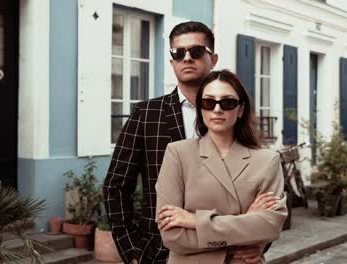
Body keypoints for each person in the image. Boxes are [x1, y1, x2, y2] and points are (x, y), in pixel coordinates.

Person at [103, 21, 276, 264]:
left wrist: (258, 243)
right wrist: (132, 252)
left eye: (196, 51)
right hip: (160, 253)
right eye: (178, 52)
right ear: (171, 61)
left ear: (213, 58)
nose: (187, 58)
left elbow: (262, 195)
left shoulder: (233, 113)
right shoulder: (146, 114)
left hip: (234, 255)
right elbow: (116, 186)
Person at [156, 70, 288, 264]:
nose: (217, 110)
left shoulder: (267, 161)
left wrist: (195, 221)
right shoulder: (178, 154)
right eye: (209, 102)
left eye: (227, 103)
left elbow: (270, 226)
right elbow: (172, 236)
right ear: (200, 108)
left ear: (240, 109)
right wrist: (246, 225)